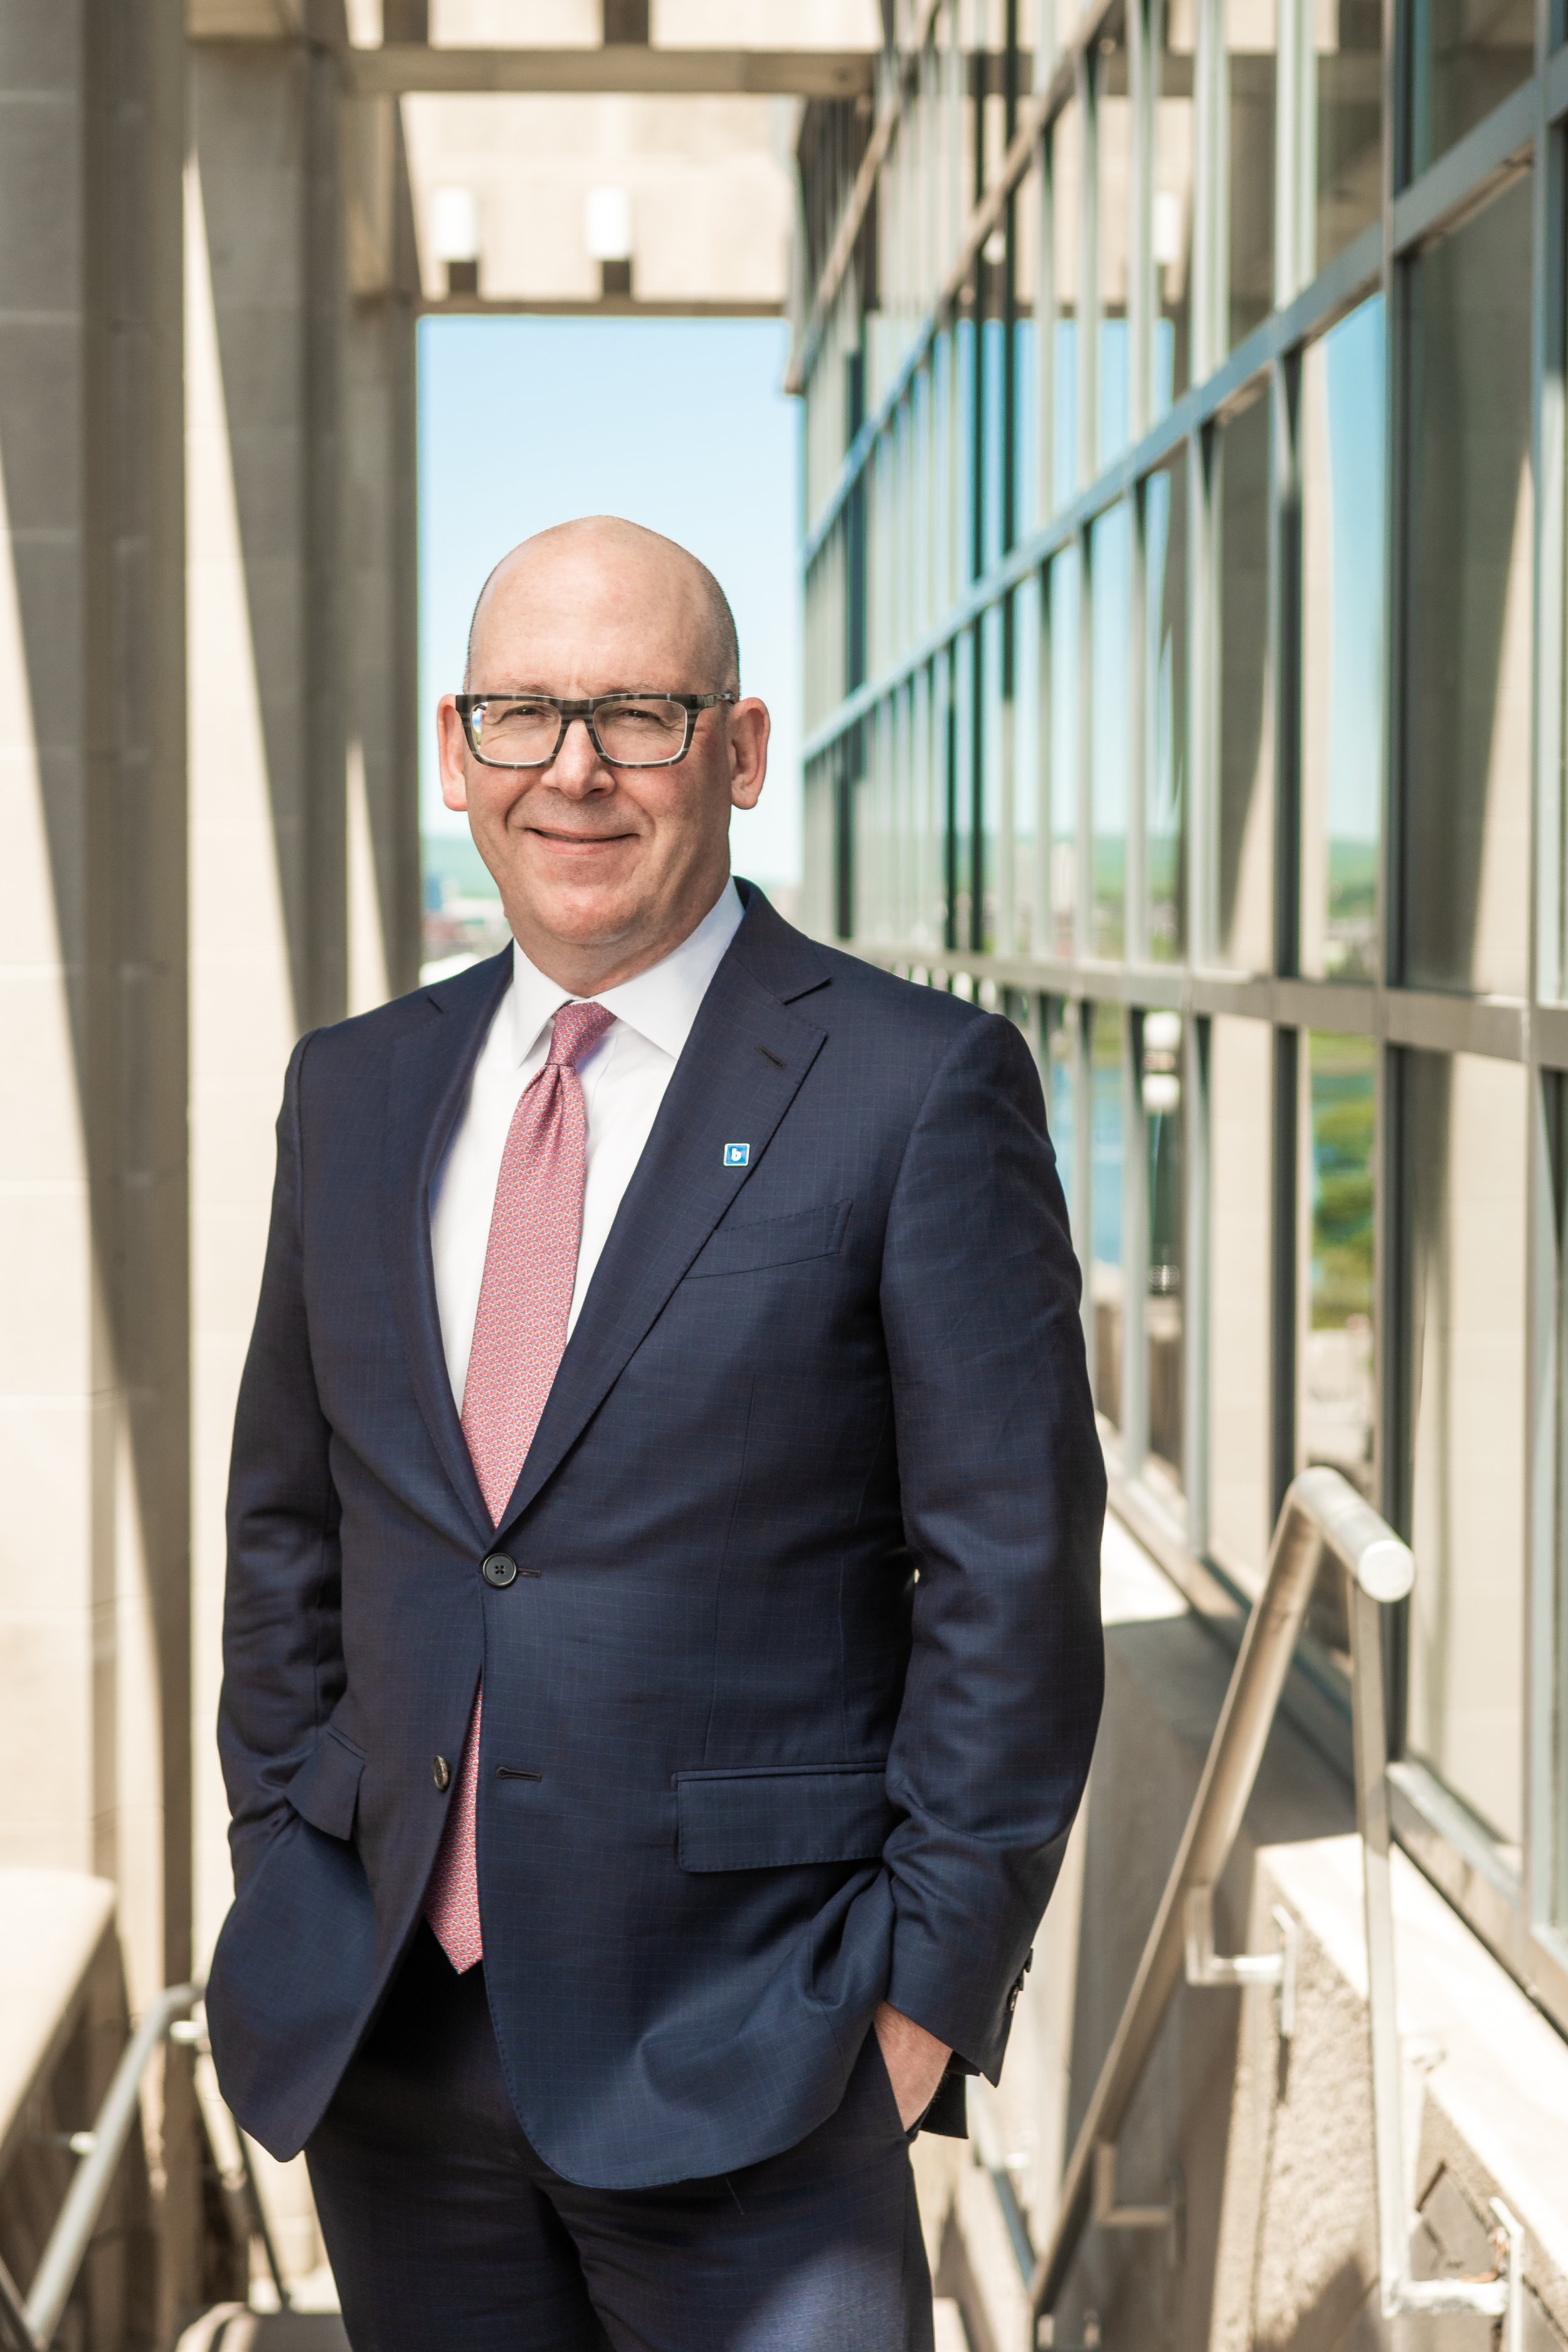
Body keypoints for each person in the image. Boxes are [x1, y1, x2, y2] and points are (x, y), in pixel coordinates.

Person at [206, 516, 1104, 2352]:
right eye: (524, 717)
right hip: (393, 2041)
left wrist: (918, 1997)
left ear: (740, 749)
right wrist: (284, 1860)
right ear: (458, 756)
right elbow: (291, 1526)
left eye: (637, 714)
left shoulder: (918, 1086)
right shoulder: (354, 1088)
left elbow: (1011, 1576)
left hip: (761, 2058)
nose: (577, 772)